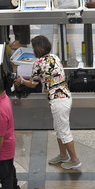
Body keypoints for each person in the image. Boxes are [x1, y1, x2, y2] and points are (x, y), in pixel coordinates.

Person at [16, 36, 82, 170]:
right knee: (59, 129)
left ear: (37, 49)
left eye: (33, 48)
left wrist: (21, 81)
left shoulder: (38, 63)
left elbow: (33, 84)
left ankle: (74, 160)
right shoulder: (54, 57)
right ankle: (63, 155)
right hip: (65, 96)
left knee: (64, 131)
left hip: (58, 100)